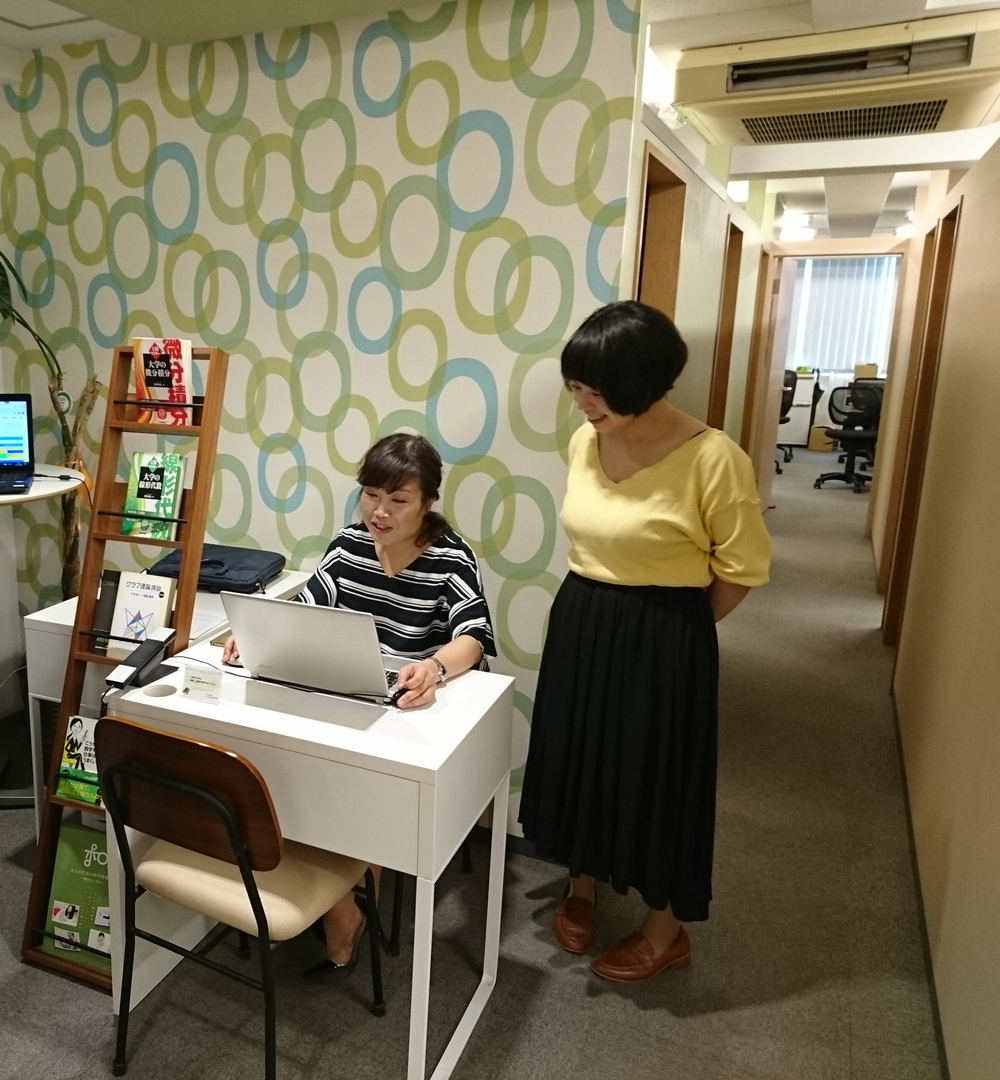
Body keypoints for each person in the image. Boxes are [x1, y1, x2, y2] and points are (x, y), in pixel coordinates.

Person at [517, 300, 772, 983]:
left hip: (665, 634)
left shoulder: (715, 459)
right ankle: (581, 883)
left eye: (596, 391)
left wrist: (674, 633)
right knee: (582, 755)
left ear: (645, 383)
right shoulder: (587, 441)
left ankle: (666, 929)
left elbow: (741, 572)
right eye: (575, 387)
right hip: (583, 618)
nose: (582, 404)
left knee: (658, 775)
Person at [223, 433, 496, 975]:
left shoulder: (451, 558)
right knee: (285, 764)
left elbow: (474, 637)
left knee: (363, 788)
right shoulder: (349, 545)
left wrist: (434, 668)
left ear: (428, 503)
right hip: (351, 691)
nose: (380, 512)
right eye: (371, 495)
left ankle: (345, 907)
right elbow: (310, 604)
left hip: (412, 703)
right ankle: (333, 891)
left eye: (399, 500)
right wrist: (258, 633)